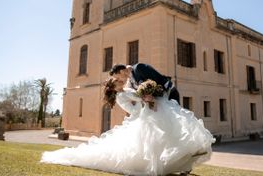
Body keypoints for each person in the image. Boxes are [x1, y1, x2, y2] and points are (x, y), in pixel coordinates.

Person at [41, 78, 215, 175]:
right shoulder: (120, 98)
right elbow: (132, 109)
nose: (121, 80)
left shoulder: (126, 90)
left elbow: (138, 95)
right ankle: (176, 162)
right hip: (144, 118)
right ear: (113, 86)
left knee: (169, 133)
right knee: (154, 143)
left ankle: (185, 158)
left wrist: (148, 97)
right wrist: (145, 101)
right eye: (117, 81)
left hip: (153, 112)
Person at [110, 63, 180, 104]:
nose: (119, 79)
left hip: (169, 93)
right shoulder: (131, 80)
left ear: (122, 71)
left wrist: (150, 95)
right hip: (159, 100)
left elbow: (155, 81)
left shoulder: (139, 68)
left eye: (117, 77)